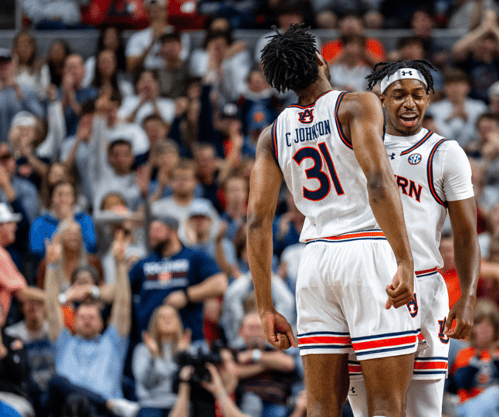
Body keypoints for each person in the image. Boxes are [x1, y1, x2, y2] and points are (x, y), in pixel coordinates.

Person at [248, 24, 418, 417]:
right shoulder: (357, 104)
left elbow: (257, 223)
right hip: (366, 251)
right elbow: (378, 180)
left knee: (322, 405)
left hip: (315, 260)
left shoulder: (271, 135)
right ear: (323, 60)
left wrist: (265, 307)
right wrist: (405, 260)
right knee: (386, 404)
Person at [345, 59, 480, 417]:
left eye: (418, 95)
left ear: (429, 98)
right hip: (368, 288)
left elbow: (466, 235)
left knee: (423, 412)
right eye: (399, 95)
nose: (410, 103)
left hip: (423, 288)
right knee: (368, 411)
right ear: (381, 100)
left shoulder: (446, 153)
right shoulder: (356, 149)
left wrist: (467, 295)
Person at [43, 231, 138, 417]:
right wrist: (52, 265)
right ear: (74, 322)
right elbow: (51, 307)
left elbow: (123, 305)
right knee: (63, 391)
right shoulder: (64, 342)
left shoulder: (113, 341)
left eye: (92, 317)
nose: (87, 320)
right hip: (68, 411)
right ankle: (109, 403)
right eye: (83, 317)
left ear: (102, 323)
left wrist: (119, 264)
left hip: (103, 414)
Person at [129, 215, 228, 343]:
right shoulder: (143, 263)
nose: (152, 234)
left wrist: (187, 296)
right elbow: (122, 290)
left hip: (189, 340)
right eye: (150, 230)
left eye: (158, 230)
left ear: (174, 232)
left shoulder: (194, 257)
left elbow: (220, 283)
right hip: (150, 343)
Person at [452, 300, 499, 417]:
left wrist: (495, 357)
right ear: (472, 327)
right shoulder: (465, 352)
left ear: (496, 329)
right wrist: (475, 359)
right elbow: (461, 383)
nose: (484, 330)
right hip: (472, 403)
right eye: (480, 324)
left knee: (493, 393)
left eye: (489, 325)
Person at [132, 305, 193, 417]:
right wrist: (154, 356)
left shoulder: (186, 349)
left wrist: (183, 355)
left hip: (180, 402)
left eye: (171, 316)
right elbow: (147, 384)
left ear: (178, 321)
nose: (167, 320)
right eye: (162, 317)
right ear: (154, 322)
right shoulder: (143, 349)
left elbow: (188, 381)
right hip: (150, 404)